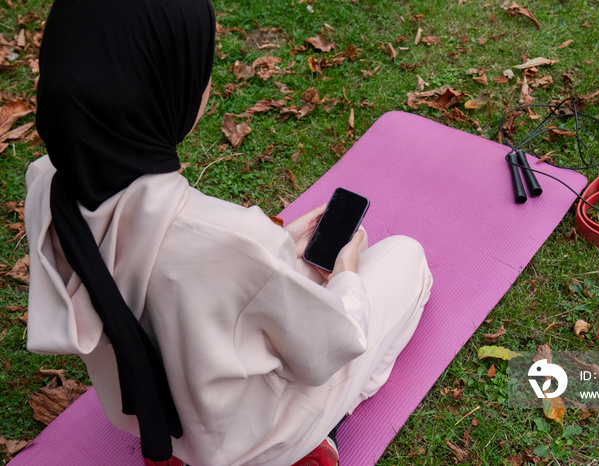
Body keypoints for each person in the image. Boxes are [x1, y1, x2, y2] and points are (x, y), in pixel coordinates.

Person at [24, 0, 433, 465]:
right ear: (166, 85)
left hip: (155, 416)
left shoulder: (43, 185)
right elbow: (327, 350)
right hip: (249, 437)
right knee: (407, 257)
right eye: (201, 64)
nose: (208, 81)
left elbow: (164, 275)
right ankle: (316, 439)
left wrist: (275, 248)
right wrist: (345, 274)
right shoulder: (226, 238)